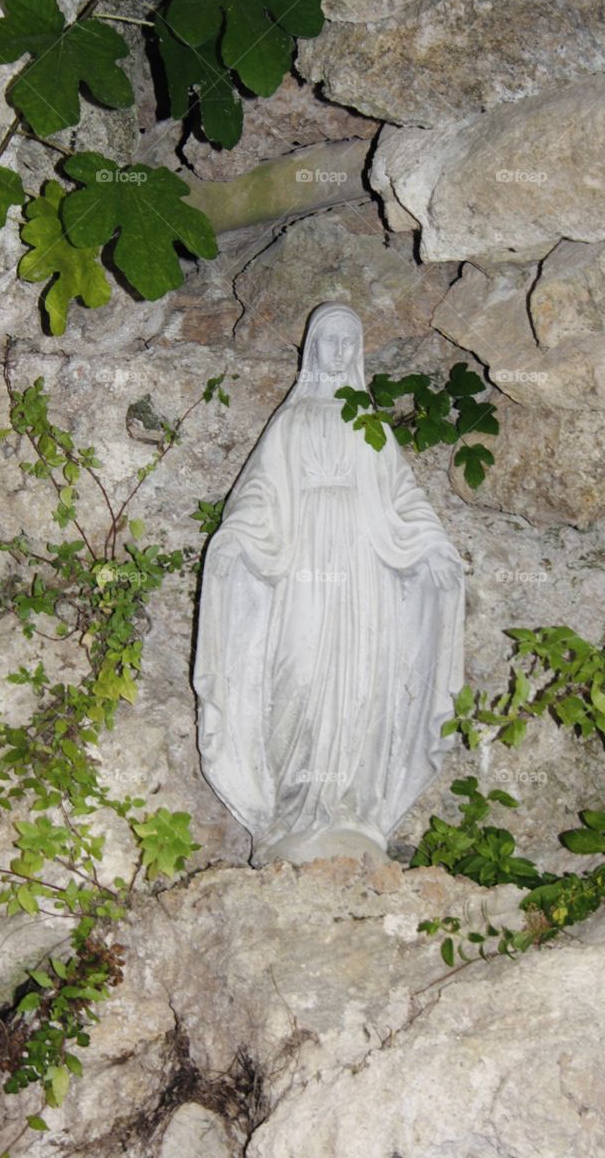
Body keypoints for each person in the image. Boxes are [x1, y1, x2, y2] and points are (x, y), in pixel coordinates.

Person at [193, 302, 465, 865]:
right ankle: (293, 808)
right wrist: (235, 539)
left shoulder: (371, 425)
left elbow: (401, 496)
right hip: (303, 564)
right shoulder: (291, 422)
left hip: (364, 571)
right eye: (330, 341)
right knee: (301, 668)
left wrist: (434, 545)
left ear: (358, 351)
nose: (339, 352)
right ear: (312, 348)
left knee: (362, 679)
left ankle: (351, 810)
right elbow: (261, 493)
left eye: (349, 341)